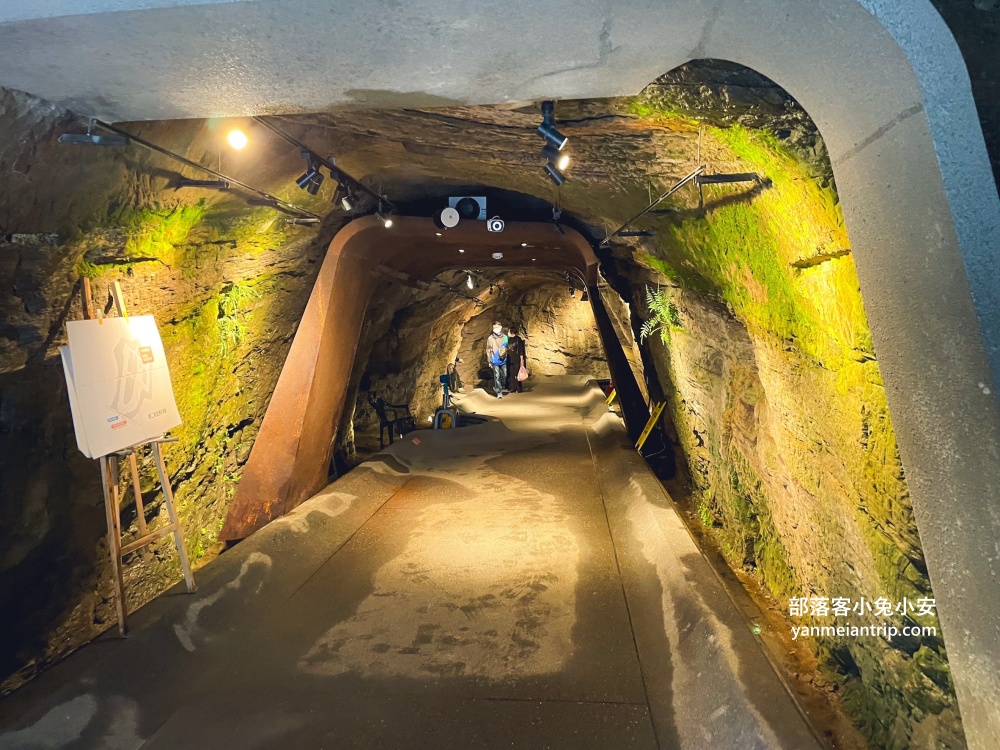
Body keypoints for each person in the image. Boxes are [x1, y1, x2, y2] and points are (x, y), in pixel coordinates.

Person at [486, 322, 508, 399]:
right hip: (494, 360)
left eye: (497, 327)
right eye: (494, 327)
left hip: (503, 359)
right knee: (497, 376)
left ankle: (499, 386)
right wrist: (489, 361)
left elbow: (506, 347)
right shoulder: (490, 338)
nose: (495, 329)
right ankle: (499, 392)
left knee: (504, 375)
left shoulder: (505, 337)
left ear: (501, 327)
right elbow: (488, 349)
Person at [505, 327, 526, 393]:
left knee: (517, 373)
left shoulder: (518, 339)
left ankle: (519, 387)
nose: (508, 332)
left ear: (512, 332)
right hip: (510, 359)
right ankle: (512, 387)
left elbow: (521, 350)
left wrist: (521, 359)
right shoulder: (509, 340)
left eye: (509, 331)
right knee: (511, 374)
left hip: (516, 359)